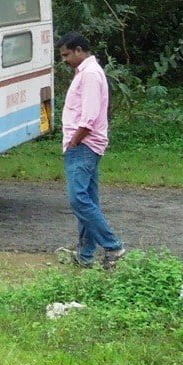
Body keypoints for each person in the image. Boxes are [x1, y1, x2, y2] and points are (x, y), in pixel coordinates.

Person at [56, 33, 125, 270]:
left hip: (84, 145)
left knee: (78, 199)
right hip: (85, 144)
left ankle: (113, 246)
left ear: (78, 50)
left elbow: (90, 115)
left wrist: (75, 141)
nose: (64, 60)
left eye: (66, 55)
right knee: (88, 200)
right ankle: (85, 255)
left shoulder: (91, 75)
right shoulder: (85, 73)